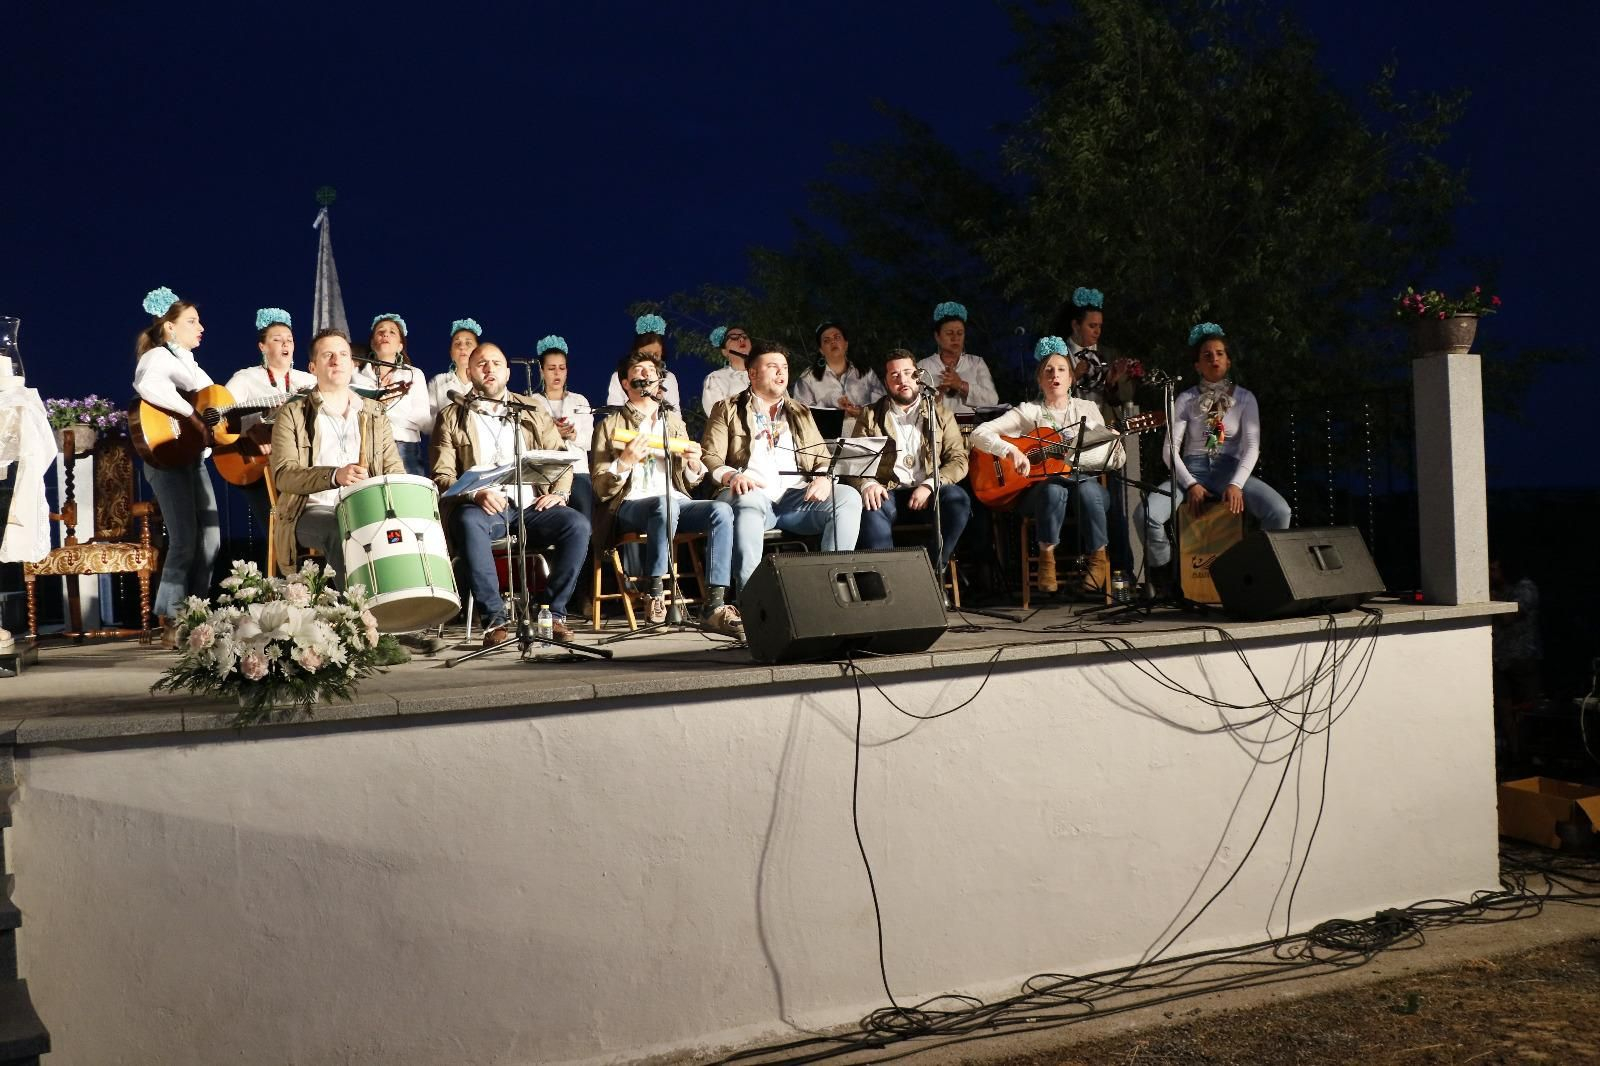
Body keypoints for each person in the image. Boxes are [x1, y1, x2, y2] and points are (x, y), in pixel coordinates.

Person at [433, 342, 591, 646]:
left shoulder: (530, 409)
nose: (489, 368)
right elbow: (442, 476)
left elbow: (560, 456)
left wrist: (559, 492)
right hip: (483, 508)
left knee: (578, 525)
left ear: (507, 371)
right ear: (469, 372)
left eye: (496, 363)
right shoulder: (451, 416)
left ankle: (552, 614)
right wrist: (474, 495)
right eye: (481, 364)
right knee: (468, 522)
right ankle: (494, 620)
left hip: (531, 504)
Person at [590, 347, 744, 637]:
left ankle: (714, 604)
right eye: (639, 372)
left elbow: (692, 480)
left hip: (676, 500)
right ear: (625, 383)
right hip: (630, 504)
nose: (646, 376)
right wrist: (624, 462)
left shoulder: (672, 421)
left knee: (721, 510)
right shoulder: (609, 425)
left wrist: (694, 464)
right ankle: (655, 593)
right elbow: (599, 488)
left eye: (651, 371)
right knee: (663, 504)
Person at [701, 344, 863, 593]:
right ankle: (751, 598)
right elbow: (710, 456)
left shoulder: (799, 411)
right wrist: (733, 476)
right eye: (772, 367)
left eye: (785, 368)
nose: (781, 373)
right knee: (748, 499)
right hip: (751, 495)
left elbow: (821, 457)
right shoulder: (727, 408)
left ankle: (833, 588)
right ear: (752, 374)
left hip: (795, 498)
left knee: (848, 497)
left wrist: (822, 478)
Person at [1141, 322, 1292, 583]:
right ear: (1197, 365)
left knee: (1280, 511)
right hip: (1191, 468)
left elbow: (1252, 446)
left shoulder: (1245, 398)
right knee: (1147, 513)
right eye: (1207, 355)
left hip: (1228, 470)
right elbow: (1169, 449)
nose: (1214, 359)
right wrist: (1190, 484)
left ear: (1229, 361)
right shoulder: (1186, 398)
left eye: (1220, 353)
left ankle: (1260, 572)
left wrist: (1236, 483)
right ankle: (1166, 578)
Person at [971, 339, 1113, 596]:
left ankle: (1098, 558)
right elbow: (979, 433)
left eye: (1061, 370)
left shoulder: (1088, 409)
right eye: (1048, 370)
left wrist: (1078, 456)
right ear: (1040, 380)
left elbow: (1114, 457)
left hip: (1084, 487)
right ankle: (1047, 558)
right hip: (1037, 494)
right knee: (1053, 488)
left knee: (1088, 490)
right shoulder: (1029, 411)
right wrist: (1012, 451)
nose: (1055, 375)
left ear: (1071, 378)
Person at [268, 328, 407, 586]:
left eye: (343, 354)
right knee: (340, 527)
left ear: (352, 363)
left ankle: (403, 606)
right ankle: (359, 613)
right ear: (312, 367)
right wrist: (334, 476)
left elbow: (394, 469)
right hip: (309, 510)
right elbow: (284, 475)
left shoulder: (374, 412)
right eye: (328, 355)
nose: (336, 360)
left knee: (405, 525)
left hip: (366, 508)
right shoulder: (292, 414)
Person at [132, 286, 220, 647]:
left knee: (211, 538)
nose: (201, 327)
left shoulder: (191, 365)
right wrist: (194, 418)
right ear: (169, 328)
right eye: (192, 321)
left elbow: (211, 404)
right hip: (165, 455)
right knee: (184, 539)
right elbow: (148, 386)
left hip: (190, 457)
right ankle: (172, 618)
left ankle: (197, 613)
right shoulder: (157, 359)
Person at [850, 349, 970, 577]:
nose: (902, 380)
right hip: (888, 493)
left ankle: (931, 571)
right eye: (894, 375)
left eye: (908, 373)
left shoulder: (941, 414)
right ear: (886, 381)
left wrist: (930, 484)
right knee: (869, 507)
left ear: (918, 376)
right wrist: (868, 484)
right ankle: (889, 582)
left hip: (928, 493)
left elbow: (959, 460)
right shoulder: (870, 415)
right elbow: (855, 462)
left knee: (958, 499)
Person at [224, 307, 316, 530]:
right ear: (262, 347)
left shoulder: (308, 381)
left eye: (289, 340)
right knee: (277, 529)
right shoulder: (245, 378)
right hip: (258, 465)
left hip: (300, 464)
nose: (286, 344)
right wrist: (255, 425)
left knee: (306, 527)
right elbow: (222, 416)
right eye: (277, 339)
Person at [527, 335, 595, 520]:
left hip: (578, 470)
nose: (557, 373)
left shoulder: (579, 400)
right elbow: (528, 440)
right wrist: (552, 433)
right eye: (551, 368)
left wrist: (573, 435)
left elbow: (590, 442)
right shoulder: (533, 401)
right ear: (541, 371)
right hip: (547, 472)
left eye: (561, 368)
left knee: (585, 519)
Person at [357, 313, 432, 476]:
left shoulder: (413, 374)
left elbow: (421, 415)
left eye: (392, 332)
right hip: (366, 448)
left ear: (400, 346)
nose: (385, 334)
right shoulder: (356, 376)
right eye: (380, 332)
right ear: (372, 343)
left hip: (405, 447)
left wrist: (379, 413)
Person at [791, 320, 885, 429]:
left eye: (837, 337)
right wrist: (836, 413)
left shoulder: (866, 373)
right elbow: (801, 416)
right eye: (827, 340)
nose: (833, 342)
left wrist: (861, 412)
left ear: (846, 344)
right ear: (821, 350)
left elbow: (882, 407)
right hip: (827, 442)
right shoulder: (808, 378)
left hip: (865, 437)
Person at [916, 301, 999, 415]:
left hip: (972, 429)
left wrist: (960, 385)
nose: (955, 338)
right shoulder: (923, 366)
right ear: (937, 337)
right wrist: (940, 391)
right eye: (949, 333)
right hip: (936, 430)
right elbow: (914, 405)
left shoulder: (976, 363)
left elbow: (992, 399)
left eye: (960, 333)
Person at [605, 314, 682, 408]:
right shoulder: (619, 376)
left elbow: (676, 414)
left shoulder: (669, 378)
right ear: (636, 352)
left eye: (656, 354)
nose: (651, 359)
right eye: (646, 354)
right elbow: (613, 412)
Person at [428, 318, 482, 418]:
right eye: (457, 344)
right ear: (451, 353)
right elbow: (428, 420)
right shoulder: (438, 382)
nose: (462, 347)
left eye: (468, 343)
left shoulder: (486, 381)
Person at [701, 324, 753, 415]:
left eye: (745, 336)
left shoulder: (767, 373)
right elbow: (717, 416)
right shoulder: (716, 378)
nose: (741, 339)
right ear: (725, 351)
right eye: (734, 338)